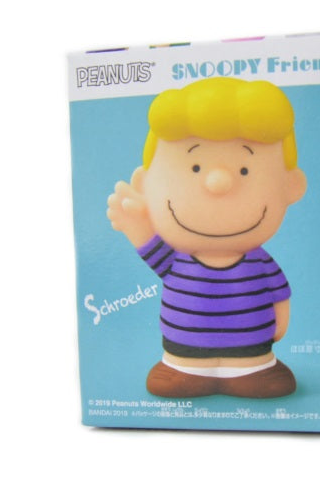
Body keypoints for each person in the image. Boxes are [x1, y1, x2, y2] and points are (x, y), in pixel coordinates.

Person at [107, 77, 307, 398]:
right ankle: (186, 369)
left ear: (291, 187)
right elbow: (153, 253)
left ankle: (252, 370)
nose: (218, 183)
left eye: (244, 170)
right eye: (196, 167)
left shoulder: (259, 261)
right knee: (177, 376)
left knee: (260, 377)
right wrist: (137, 225)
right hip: (184, 354)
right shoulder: (179, 258)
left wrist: (278, 328)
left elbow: (279, 294)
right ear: (145, 184)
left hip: (251, 353)